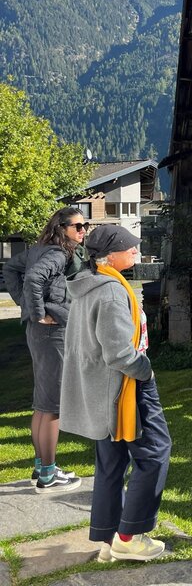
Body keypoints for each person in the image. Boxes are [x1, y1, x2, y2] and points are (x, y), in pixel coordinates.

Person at [60, 225, 171, 562]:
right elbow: (119, 353)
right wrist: (147, 371)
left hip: (100, 389)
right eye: (131, 247)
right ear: (111, 255)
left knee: (111, 463)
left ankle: (109, 539)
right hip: (123, 386)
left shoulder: (87, 285)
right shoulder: (110, 291)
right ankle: (129, 536)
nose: (137, 251)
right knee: (154, 453)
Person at [3, 206, 87, 493]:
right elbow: (33, 278)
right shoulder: (57, 253)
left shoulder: (41, 249)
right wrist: (37, 310)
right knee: (53, 404)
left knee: (43, 403)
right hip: (51, 332)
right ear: (62, 228)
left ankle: (42, 469)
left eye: (84, 226)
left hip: (40, 332)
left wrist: (26, 306)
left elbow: (11, 268)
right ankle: (48, 477)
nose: (83, 231)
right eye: (77, 226)